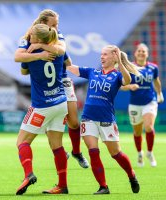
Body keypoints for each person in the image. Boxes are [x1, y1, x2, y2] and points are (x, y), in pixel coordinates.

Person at [15, 9, 89, 168]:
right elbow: (18, 56)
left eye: (57, 24)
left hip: (62, 80)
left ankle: (76, 152)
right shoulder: (27, 37)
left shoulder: (57, 34)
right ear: (43, 24)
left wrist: (41, 46)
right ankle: (61, 155)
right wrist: (38, 56)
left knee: (74, 122)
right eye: (53, 24)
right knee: (53, 129)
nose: (56, 27)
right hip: (46, 85)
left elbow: (63, 53)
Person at [66, 45, 140, 194]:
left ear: (114, 57)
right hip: (88, 118)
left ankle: (131, 175)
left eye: (105, 54)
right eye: (101, 54)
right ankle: (103, 186)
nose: (102, 57)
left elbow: (128, 79)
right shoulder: (93, 72)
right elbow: (71, 68)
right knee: (93, 152)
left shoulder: (117, 75)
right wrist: (60, 55)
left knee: (116, 154)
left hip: (106, 119)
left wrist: (120, 62)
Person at [14, 24, 69, 195]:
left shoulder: (30, 55)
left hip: (42, 105)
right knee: (57, 146)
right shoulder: (58, 51)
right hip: (61, 102)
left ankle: (28, 175)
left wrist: (33, 53)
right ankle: (62, 185)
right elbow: (64, 56)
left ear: (37, 39)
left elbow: (22, 69)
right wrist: (44, 49)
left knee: (22, 142)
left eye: (31, 35)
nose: (29, 37)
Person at [121, 43, 164, 167]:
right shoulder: (130, 67)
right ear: (135, 53)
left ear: (147, 54)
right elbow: (121, 86)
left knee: (149, 127)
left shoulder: (153, 68)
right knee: (137, 131)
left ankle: (149, 153)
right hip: (135, 104)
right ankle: (140, 153)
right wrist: (130, 86)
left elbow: (156, 81)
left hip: (150, 101)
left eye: (143, 51)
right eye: (139, 51)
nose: (141, 53)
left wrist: (160, 93)